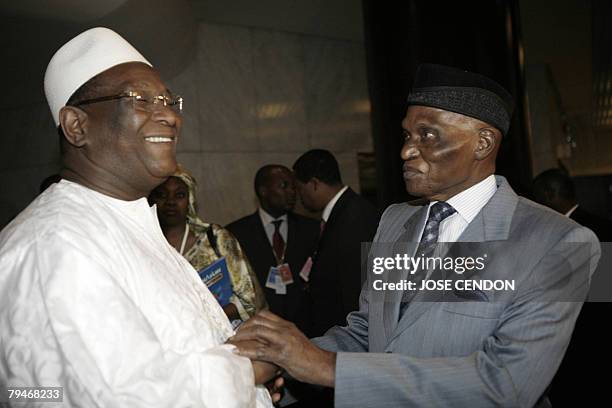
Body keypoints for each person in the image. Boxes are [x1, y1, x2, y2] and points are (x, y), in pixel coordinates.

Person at [230, 64, 601, 407]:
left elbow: (506, 384)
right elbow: (369, 330)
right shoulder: (395, 219)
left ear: (483, 143)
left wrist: (326, 367)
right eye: (408, 135)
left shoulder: (565, 243)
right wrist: (282, 359)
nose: (407, 150)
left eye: (428, 136)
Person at [0, 27, 275, 407]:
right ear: (77, 126)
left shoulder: (127, 222)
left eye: (167, 100)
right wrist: (249, 368)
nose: (169, 116)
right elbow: (93, 397)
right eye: (140, 99)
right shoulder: (53, 245)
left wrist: (250, 388)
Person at [149, 165, 267, 323]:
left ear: (190, 200)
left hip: (220, 339)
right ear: (151, 200)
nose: (170, 201)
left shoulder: (215, 238)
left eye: (179, 195)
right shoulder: (144, 243)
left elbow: (250, 300)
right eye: (162, 195)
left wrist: (203, 320)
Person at [292, 149, 380, 337]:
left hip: (349, 337)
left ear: (314, 184)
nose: (299, 198)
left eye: (300, 189)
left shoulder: (355, 216)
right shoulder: (337, 215)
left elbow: (356, 288)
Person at [226, 164, 319, 329]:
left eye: (293, 186)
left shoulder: (311, 229)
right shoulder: (236, 233)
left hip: (307, 330)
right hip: (260, 328)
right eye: (284, 186)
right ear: (263, 191)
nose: (292, 192)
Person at [533, 168, 612, 242]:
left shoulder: (592, 230)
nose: (535, 204)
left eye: (536, 197)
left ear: (549, 194)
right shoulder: (602, 226)